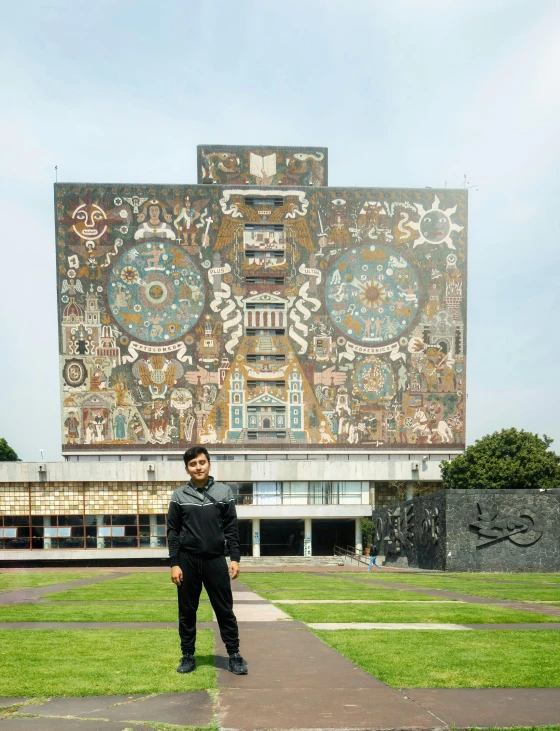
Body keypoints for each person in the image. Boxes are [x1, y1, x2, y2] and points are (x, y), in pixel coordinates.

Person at [167, 446, 248, 676]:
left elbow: (231, 528)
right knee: (187, 611)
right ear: (187, 469)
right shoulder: (179, 496)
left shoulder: (224, 492)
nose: (198, 467)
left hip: (215, 560)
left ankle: (234, 655)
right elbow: (173, 531)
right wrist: (174, 563)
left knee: (224, 610)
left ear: (208, 464)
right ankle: (188, 656)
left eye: (201, 462)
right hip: (187, 561)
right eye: (193, 464)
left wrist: (234, 558)